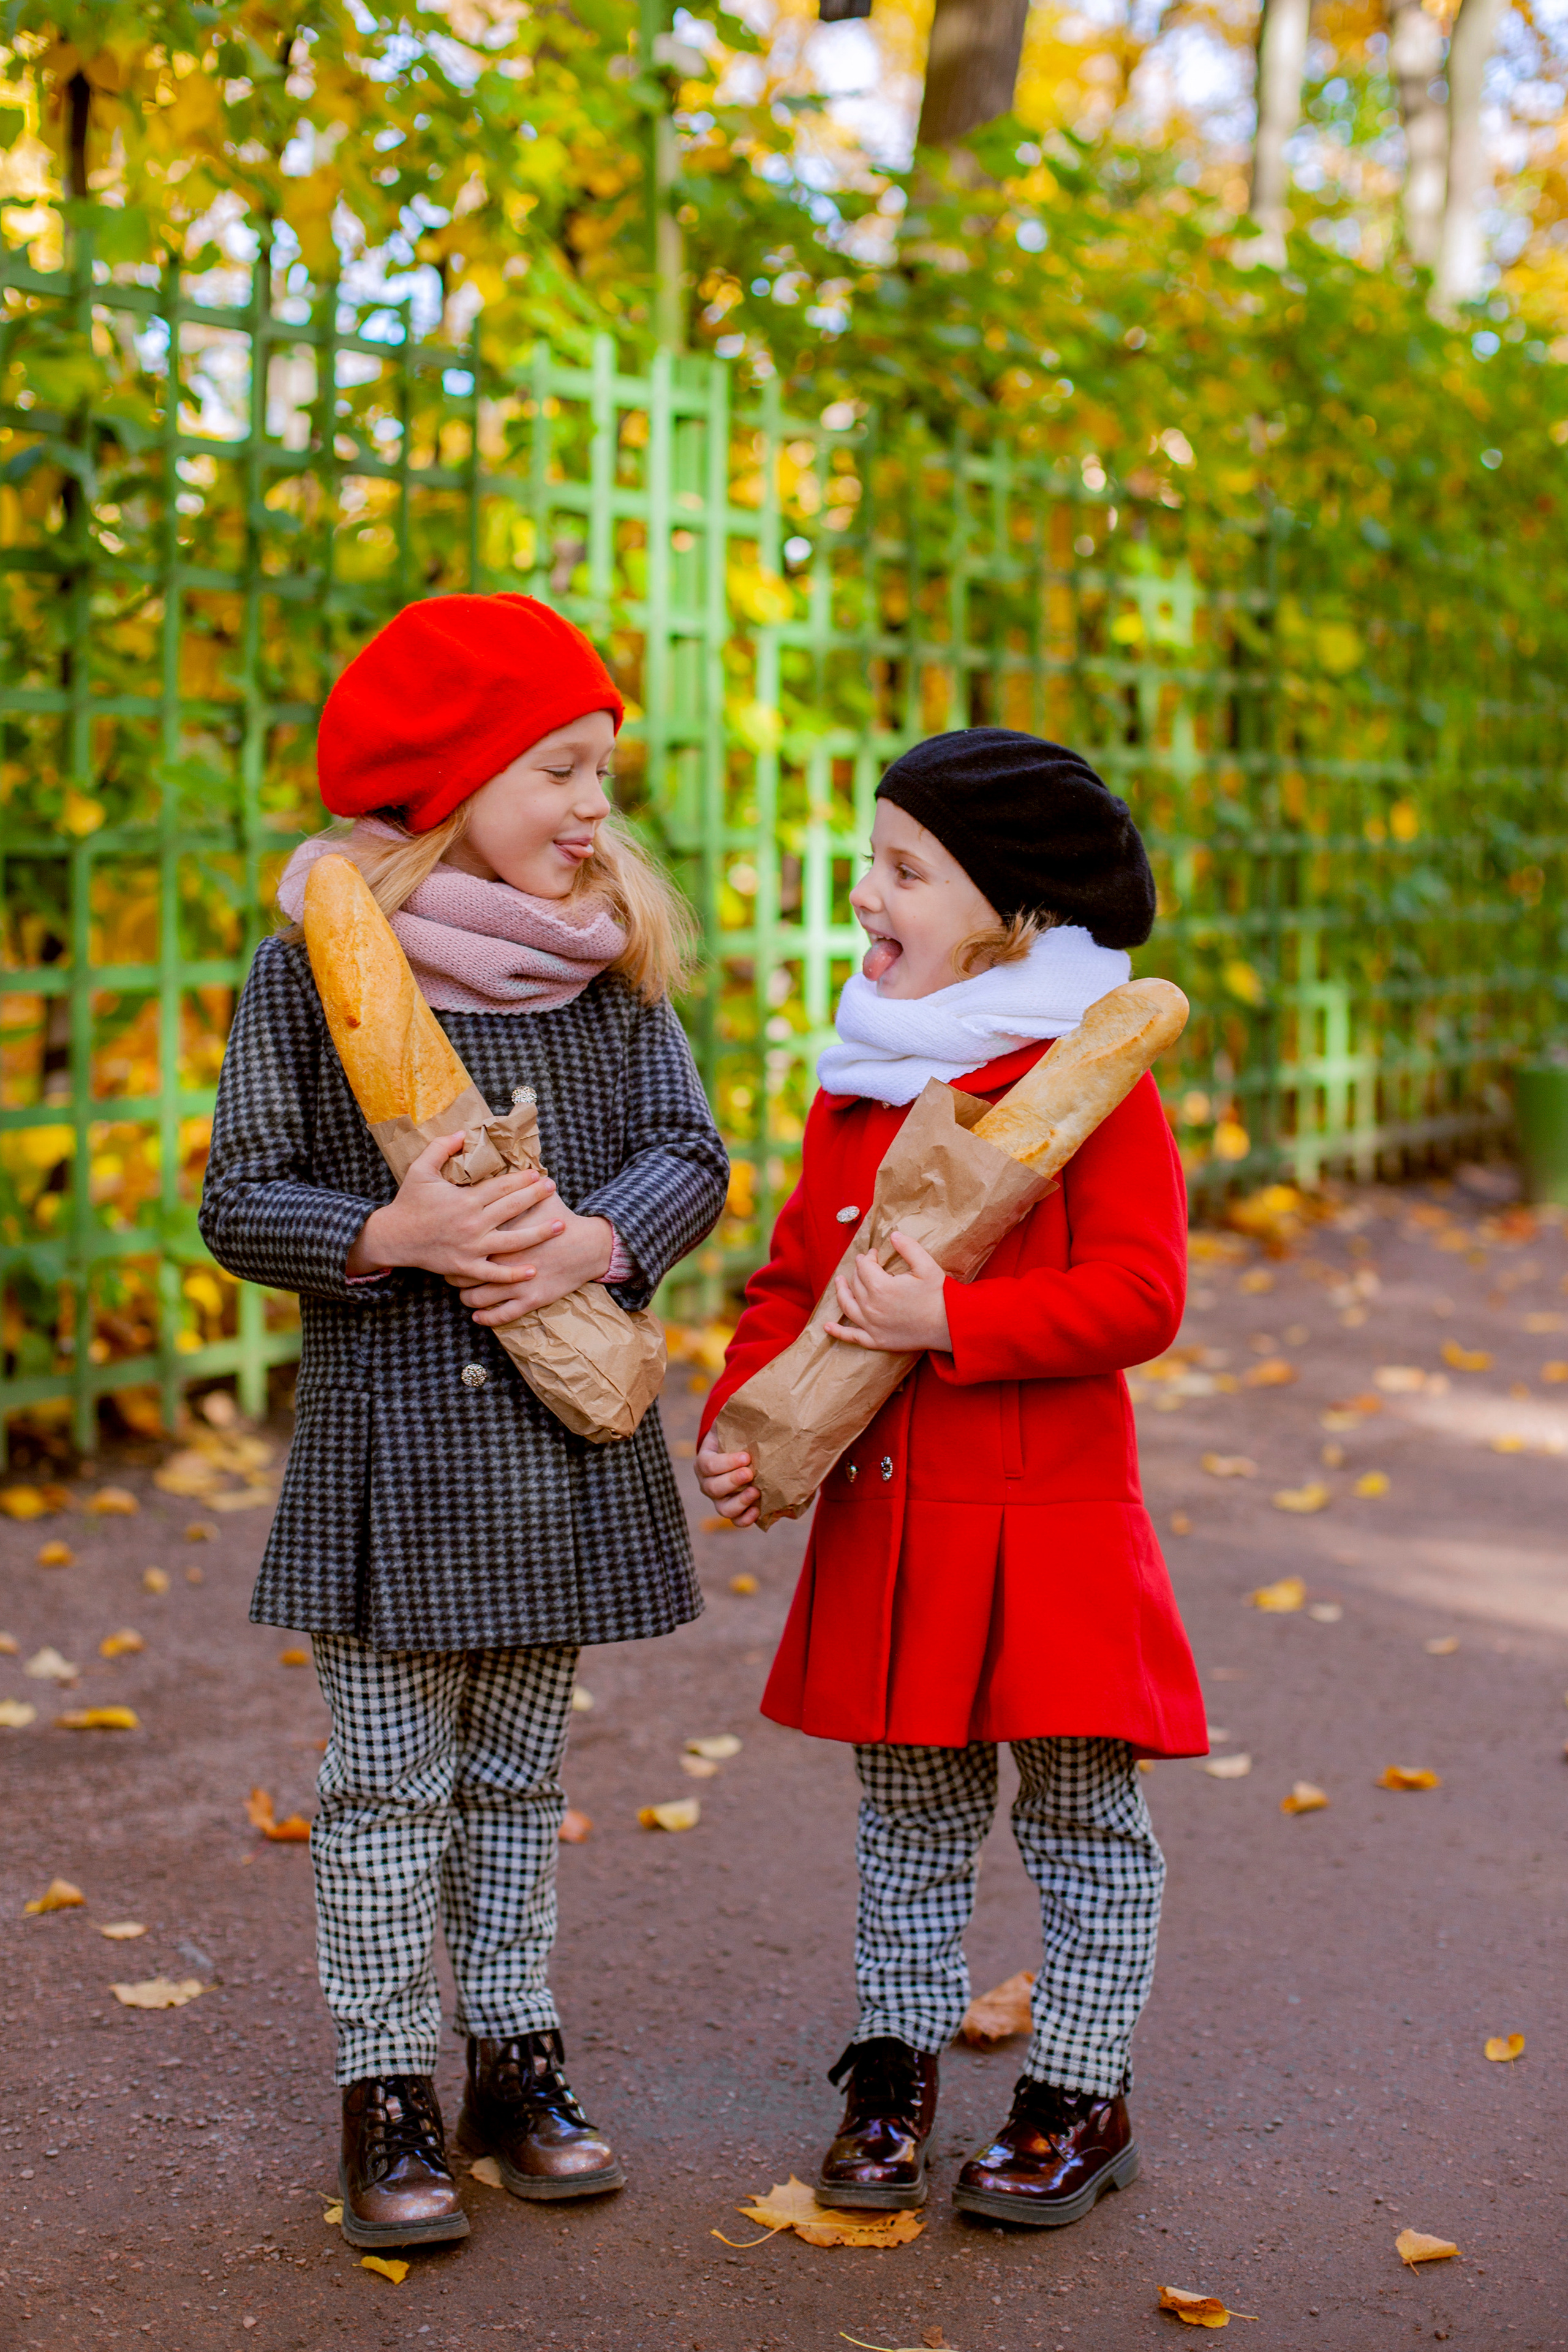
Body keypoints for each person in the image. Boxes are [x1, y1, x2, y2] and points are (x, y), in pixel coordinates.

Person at [201, 594, 728, 2249]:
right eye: (561, 767)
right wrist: (391, 1235)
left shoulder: (609, 978)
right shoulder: (309, 974)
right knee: (380, 1782)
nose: (595, 808)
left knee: (516, 1777)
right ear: (450, 784)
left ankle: (512, 2057)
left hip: (555, 1453)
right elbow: (239, 1199)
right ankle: (385, 2087)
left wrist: (601, 1236)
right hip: (396, 1450)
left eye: (605, 775)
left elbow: (691, 1154)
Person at [695, 729, 1205, 2229]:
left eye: (903, 869)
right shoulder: (862, 1085)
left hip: (1043, 1529)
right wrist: (746, 1413)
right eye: (869, 860)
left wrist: (952, 1322)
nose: (865, 893)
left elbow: (1140, 1297)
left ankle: (1076, 2092)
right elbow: (793, 1280)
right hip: (894, 1526)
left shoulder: (1092, 1082)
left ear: (1019, 917)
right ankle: (892, 2072)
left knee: (1081, 1826)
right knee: (906, 1823)